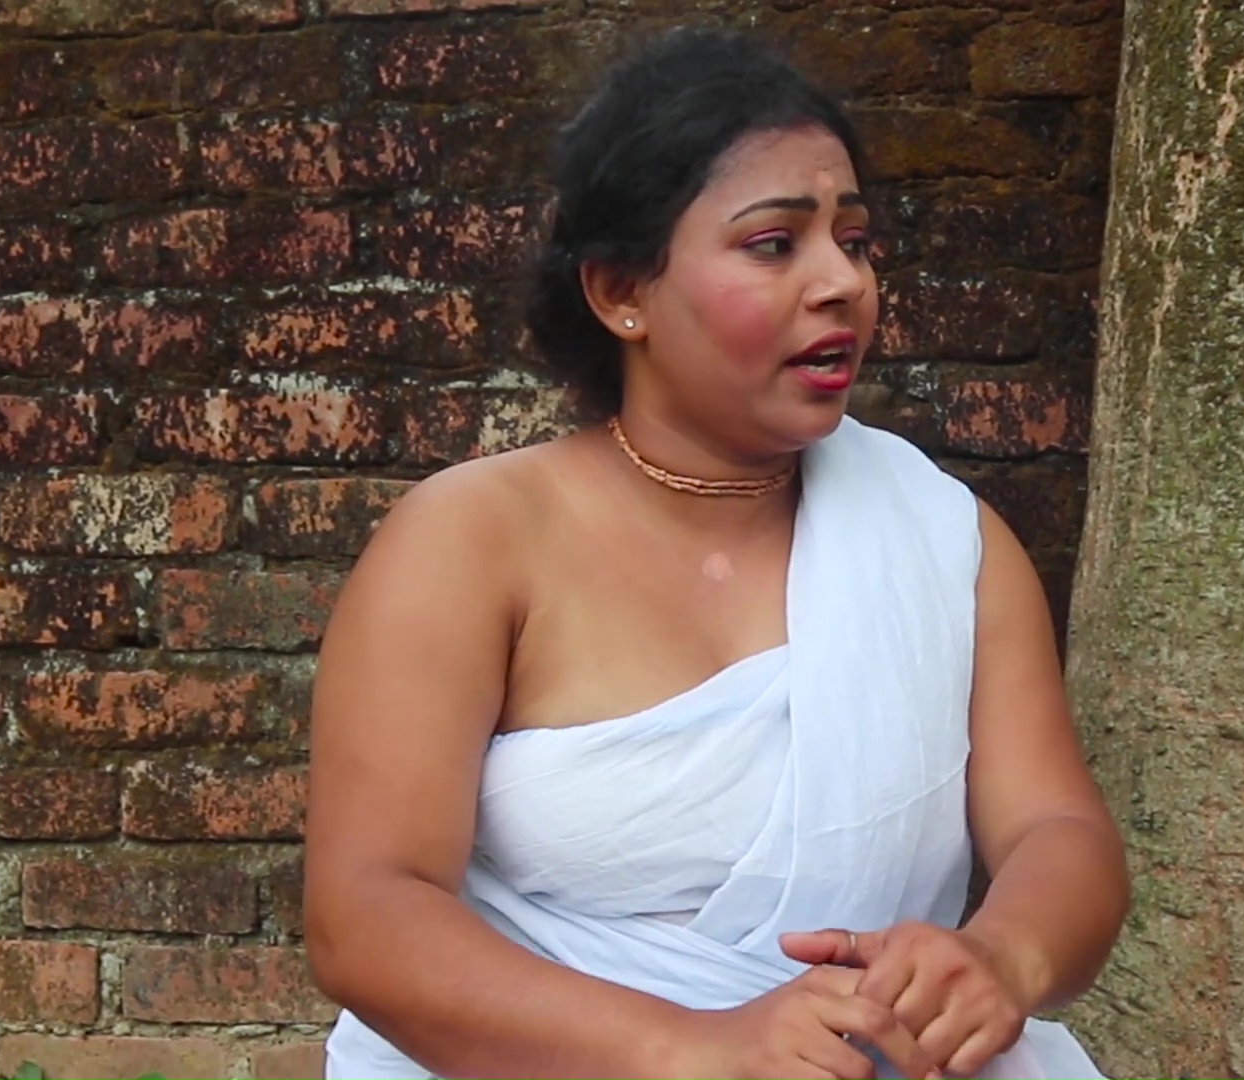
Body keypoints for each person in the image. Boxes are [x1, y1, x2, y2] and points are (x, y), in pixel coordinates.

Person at [303, 24, 1130, 1080]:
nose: (842, 282)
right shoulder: (474, 540)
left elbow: (1057, 828)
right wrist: (694, 1049)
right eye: (774, 244)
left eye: (855, 240)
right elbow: (365, 913)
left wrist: (1002, 958)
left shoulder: (942, 541)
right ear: (622, 292)